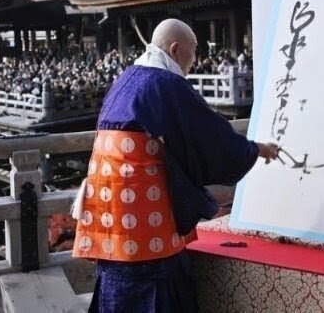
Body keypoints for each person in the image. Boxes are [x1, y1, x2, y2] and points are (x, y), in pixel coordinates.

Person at [72, 18, 278, 313]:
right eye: (193, 52)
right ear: (175, 48)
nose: (193, 61)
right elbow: (210, 137)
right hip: (142, 214)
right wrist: (253, 150)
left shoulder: (126, 78)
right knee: (156, 284)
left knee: (118, 284)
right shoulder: (166, 84)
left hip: (108, 209)